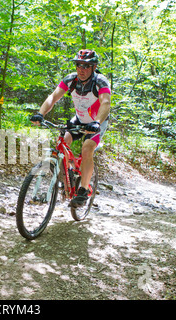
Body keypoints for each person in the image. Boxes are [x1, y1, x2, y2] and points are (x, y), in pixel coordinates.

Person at [30, 49, 111, 207]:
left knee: (87, 149)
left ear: (94, 67)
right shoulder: (71, 80)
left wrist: (97, 122)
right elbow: (53, 97)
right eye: (78, 65)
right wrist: (40, 114)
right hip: (79, 119)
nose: (81, 69)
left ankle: (83, 190)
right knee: (61, 145)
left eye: (86, 66)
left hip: (96, 122)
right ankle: (67, 178)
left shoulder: (100, 81)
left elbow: (106, 103)